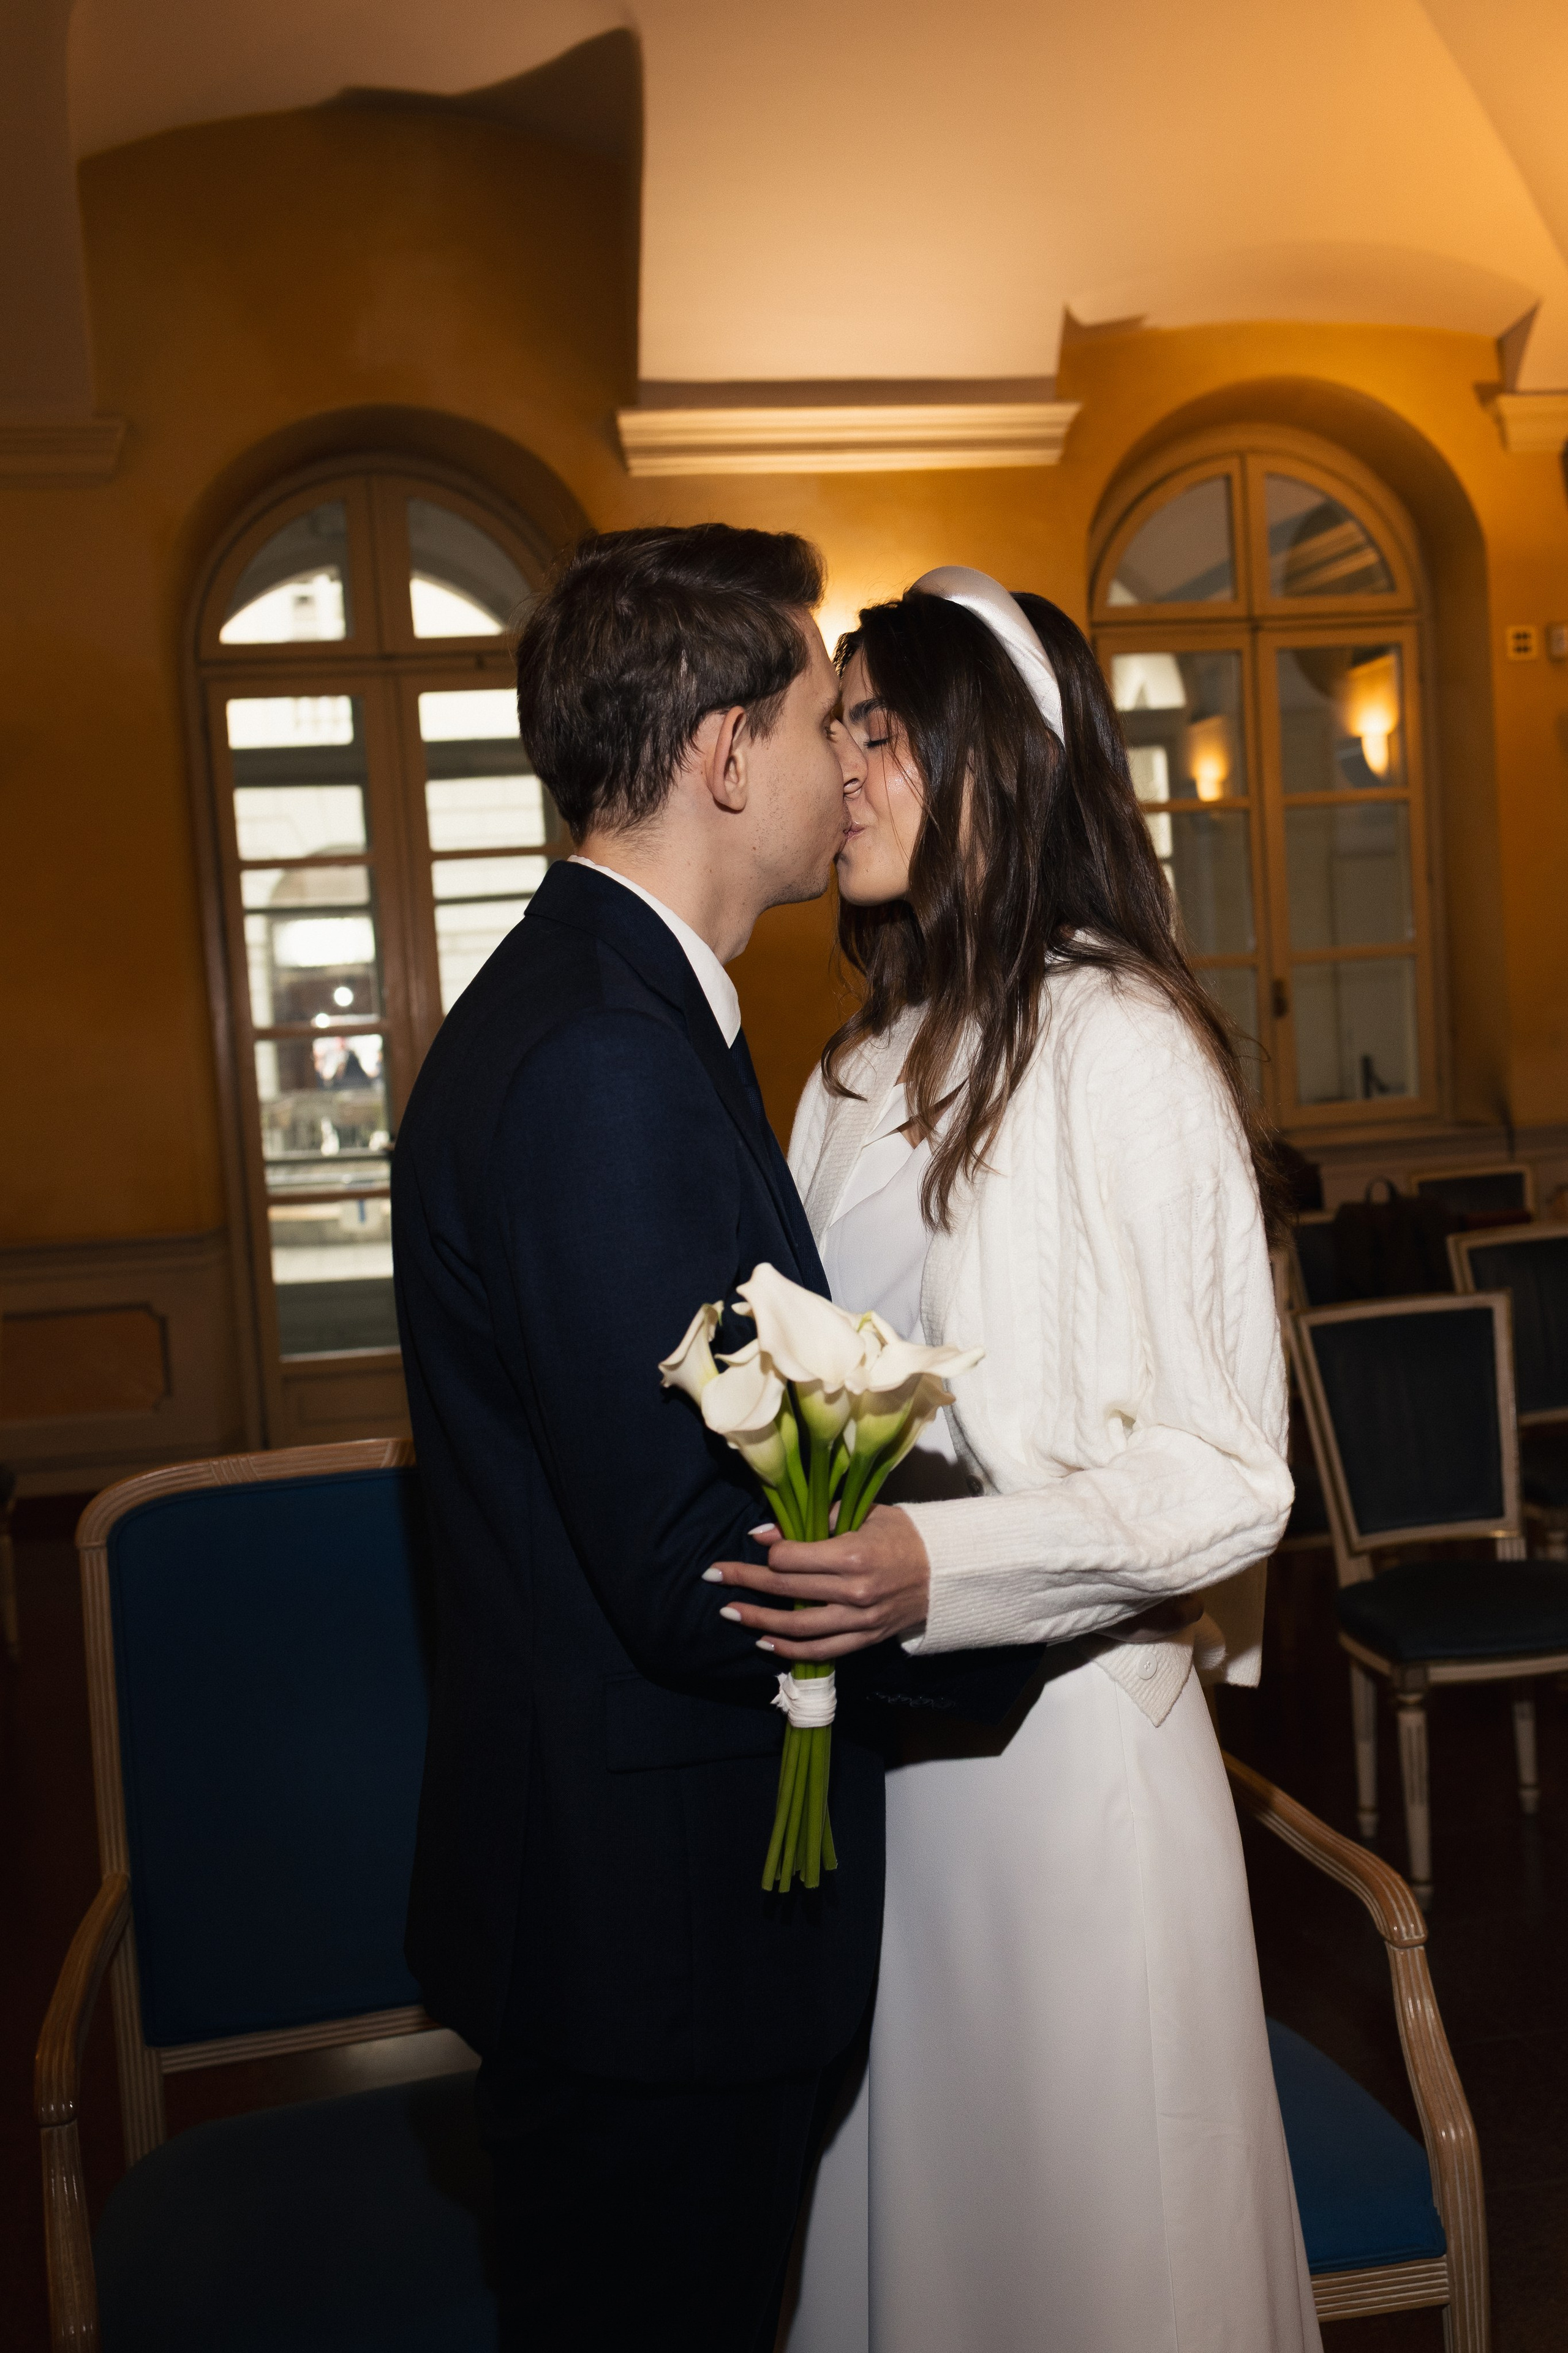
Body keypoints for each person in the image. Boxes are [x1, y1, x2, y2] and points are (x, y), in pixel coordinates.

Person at [391, 527, 1046, 2353]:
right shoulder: (605, 1052)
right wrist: (1026, 1594)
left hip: (620, 1916)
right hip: (651, 1945)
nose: (859, 758)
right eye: (831, 715)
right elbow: (698, 1565)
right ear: (724, 753)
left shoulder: (595, 1006)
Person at [710, 571, 1321, 2351]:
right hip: (897, 1780)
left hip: (1069, 1789)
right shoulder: (844, 1075)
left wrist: (937, 1569)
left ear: (1001, 760)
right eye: (841, 729)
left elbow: (1232, 1469)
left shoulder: (1123, 1045)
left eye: (879, 727)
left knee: (1093, 2259)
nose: (845, 769)